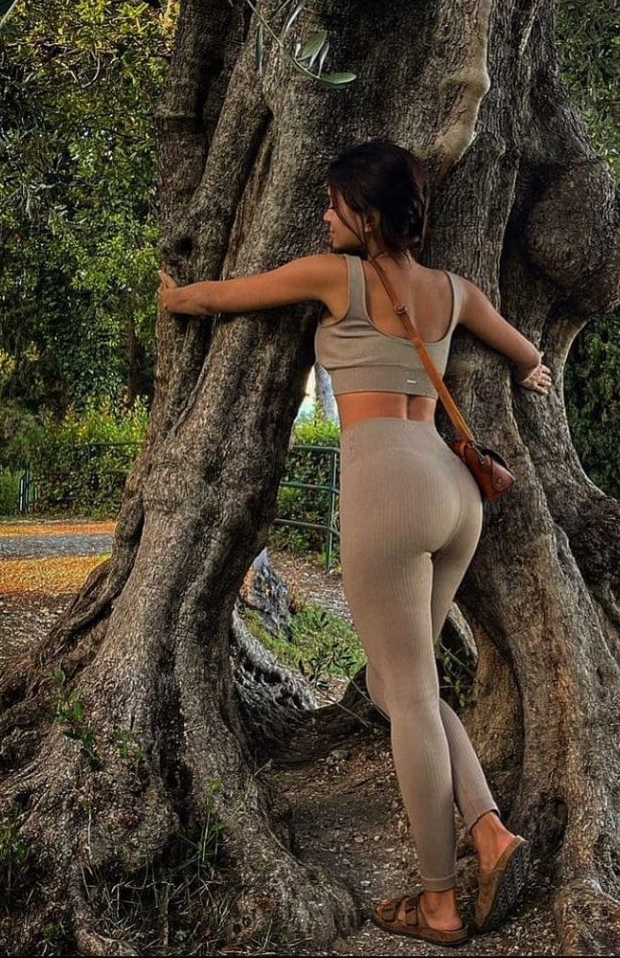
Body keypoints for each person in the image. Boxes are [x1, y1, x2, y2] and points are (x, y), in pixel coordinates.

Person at [157, 139, 552, 945]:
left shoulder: (335, 277)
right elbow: (527, 357)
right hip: (455, 490)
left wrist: (175, 297)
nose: (324, 216)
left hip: (389, 487)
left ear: (367, 217)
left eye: (335, 206)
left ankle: (438, 902)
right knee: (400, 684)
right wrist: (532, 374)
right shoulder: (455, 291)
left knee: (406, 698)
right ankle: (487, 829)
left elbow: (224, 297)